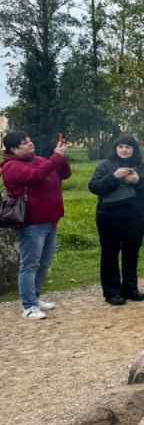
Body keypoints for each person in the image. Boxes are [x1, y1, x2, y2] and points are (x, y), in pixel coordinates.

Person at [1, 131, 71, 320]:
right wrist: (55, 157)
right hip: (31, 222)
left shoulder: (39, 159)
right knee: (30, 264)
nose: (30, 144)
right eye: (24, 143)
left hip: (51, 219)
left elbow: (64, 173)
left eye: (30, 140)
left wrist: (61, 156)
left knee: (44, 263)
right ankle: (29, 306)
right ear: (13, 149)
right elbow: (37, 176)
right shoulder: (11, 167)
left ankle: (36, 298)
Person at [88, 135, 144, 305]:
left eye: (128, 147)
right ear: (115, 149)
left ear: (134, 149)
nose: (124, 150)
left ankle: (130, 288)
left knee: (131, 252)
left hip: (135, 216)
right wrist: (113, 177)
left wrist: (137, 180)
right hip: (109, 216)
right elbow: (94, 187)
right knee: (110, 253)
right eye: (121, 147)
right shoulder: (105, 166)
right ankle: (112, 292)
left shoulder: (142, 167)